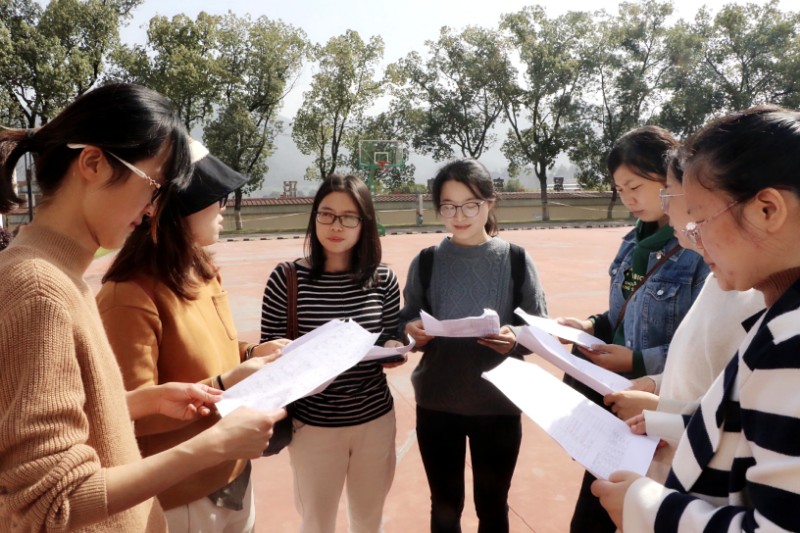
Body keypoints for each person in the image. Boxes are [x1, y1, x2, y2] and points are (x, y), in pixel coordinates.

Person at [0, 83, 284, 532]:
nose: (154, 210)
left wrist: (131, 402)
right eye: (154, 186)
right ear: (92, 163)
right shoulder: (39, 288)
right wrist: (210, 446)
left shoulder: (59, 275)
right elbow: (51, 501)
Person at [592, 104, 800, 532]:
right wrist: (671, 421)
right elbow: (748, 425)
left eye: (699, 219)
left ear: (767, 210)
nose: (692, 237)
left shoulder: (790, 344)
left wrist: (647, 508)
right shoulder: (779, 314)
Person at [96, 138, 289, 532]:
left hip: (234, 472)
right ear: (181, 208)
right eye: (215, 196)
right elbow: (125, 415)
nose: (223, 206)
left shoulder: (202, 272)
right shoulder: (129, 296)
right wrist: (224, 384)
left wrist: (253, 351)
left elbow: (216, 348)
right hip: (181, 500)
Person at [556, 126, 709, 533]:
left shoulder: (696, 253)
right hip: (613, 401)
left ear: (671, 179)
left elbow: (698, 346)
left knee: (636, 512)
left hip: (656, 411)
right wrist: (588, 325)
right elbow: (620, 314)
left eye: (635, 186)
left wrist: (638, 360)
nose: (628, 198)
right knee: (594, 510)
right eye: (620, 189)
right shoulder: (631, 243)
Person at [398, 158, 548, 533]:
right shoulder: (428, 260)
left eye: (470, 204)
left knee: (493, 507)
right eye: (448, 206)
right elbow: (405, 319)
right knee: (444, 507)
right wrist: (413, 331)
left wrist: (514, 338)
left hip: (497, 406)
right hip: (437, 404)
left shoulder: (515, 259)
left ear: (489, 203)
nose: (459, 215)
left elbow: (538, 326)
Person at [602, 153, 764, 482]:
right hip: (671, 460)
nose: (668, 210)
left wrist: (661, 410)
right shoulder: (722, 279)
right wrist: (656, 386)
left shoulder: (761, 298)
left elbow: (747, 421)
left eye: (670, 195)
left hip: (703, 482)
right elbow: (707, 371)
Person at [260, 174, 404, 533]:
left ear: (364, 223)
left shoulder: (382, 279)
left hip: (375, 420)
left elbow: (389, 335)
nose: (336, 225)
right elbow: (267, 355)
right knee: (317, 523)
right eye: (326, 214)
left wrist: (391, 349)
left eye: (348, 216)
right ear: (314, 217)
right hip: (314, 426)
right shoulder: (286, 278)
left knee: (368, 520)